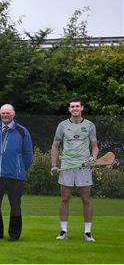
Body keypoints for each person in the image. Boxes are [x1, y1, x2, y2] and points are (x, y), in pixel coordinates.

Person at [50, 98, 99, 242]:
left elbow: (95, 146)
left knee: (86, 199)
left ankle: (88, 233)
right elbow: (55, 146)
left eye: (77, 106)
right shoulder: (62, 125)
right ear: (69, 109)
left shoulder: (90, 125)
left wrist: (93, 157)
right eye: (72, 106)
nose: (75, 108)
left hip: (84, 166)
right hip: (67, 165)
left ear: (82, 108)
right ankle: (63, 231)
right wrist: (54, 164)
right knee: (65, 198)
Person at [0, 104, 33, 241]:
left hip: (15, 176)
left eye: (7, 113)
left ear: (13, 114)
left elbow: (28, 154)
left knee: (15, 206)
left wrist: (20, 168)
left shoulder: (22, 131)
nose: (5, 115)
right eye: (3, 113)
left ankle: (14, 234)